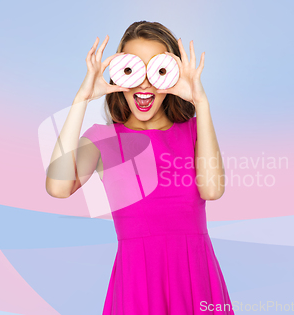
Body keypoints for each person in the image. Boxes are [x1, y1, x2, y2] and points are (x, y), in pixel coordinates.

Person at [46, 20, 233, 315]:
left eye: (158, 70)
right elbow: (58, 187)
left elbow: (212, 189)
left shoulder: (195, 131)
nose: (144, 83)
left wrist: (202, 103)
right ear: (119, 73)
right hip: (137, 282)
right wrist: (81, 99)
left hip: (196, 277)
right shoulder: (102, 139)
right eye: (132, 70)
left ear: (172, 76)